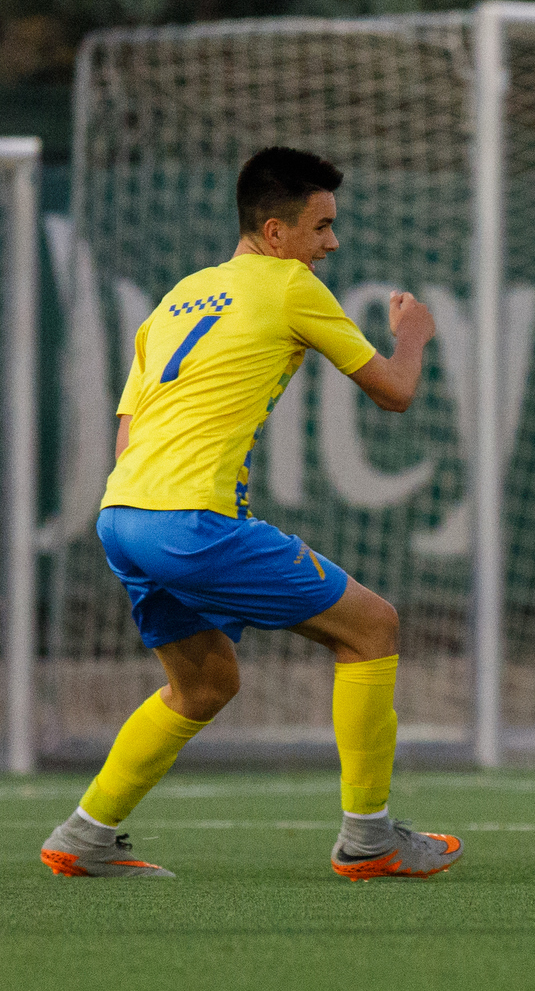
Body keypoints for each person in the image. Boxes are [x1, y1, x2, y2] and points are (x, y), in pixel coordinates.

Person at [40, 147, 463, 880]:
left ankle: (83, 834)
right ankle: (369, 838)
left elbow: (128, 433)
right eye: (321, 226)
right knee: (373, 627)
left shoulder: (178, 297)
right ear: (275, 232)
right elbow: (394, 390)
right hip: (189, 521)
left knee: (203, 685)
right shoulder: (289, 285)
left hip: (123, 514)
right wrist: (416, 333)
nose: (332, 242)